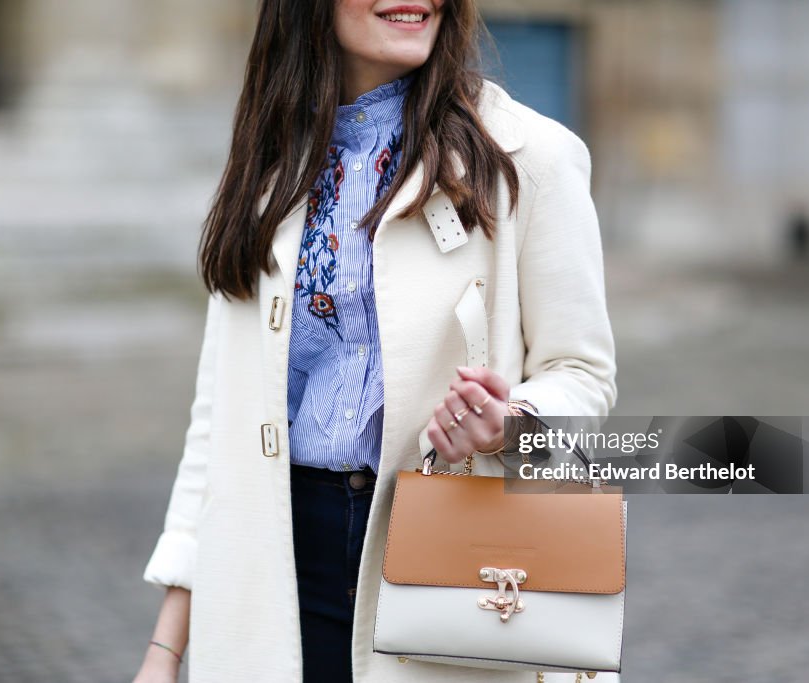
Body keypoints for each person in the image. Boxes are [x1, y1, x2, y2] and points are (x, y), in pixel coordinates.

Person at [133, 1, 617, 682]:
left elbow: (583, 375)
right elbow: (219, 421)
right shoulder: (270, 164)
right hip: (271, 580)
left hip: (452, 570)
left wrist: (509, 423)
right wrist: (165, 648)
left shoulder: (531, 158)